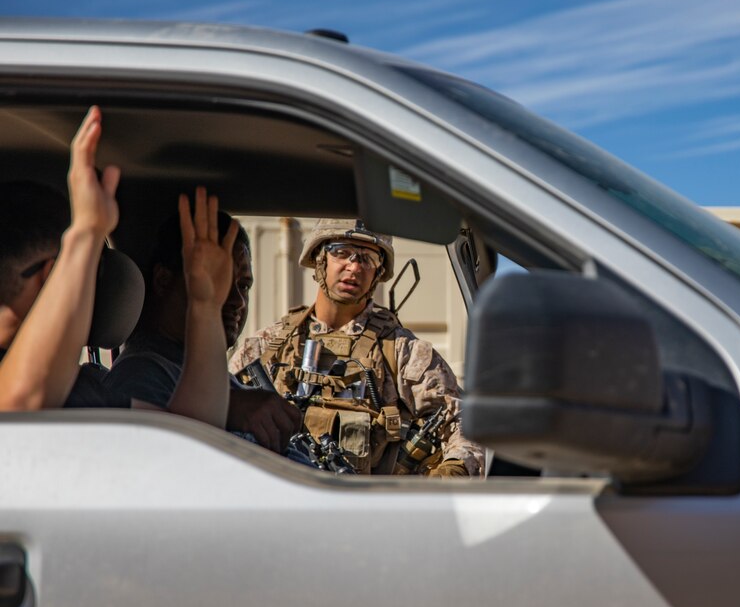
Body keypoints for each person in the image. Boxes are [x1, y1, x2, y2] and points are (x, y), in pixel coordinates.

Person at [0, 106, 237, 425]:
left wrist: (205, 306)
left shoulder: (81, 388)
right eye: (89, 277)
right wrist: (86, 232)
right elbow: (21, 405)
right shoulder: (29, 389)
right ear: (50, 280)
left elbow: (192, 434)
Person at [229, 219, 485, 477]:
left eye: (368, 258)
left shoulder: (404, 352)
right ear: (320, 258)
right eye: (341, 252)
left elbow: (465, 424)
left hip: (368, 508)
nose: (354, 266)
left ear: (378, 272)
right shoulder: (268, 346)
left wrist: (453, 472)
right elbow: (216, 416)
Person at [106, 211, 303, 451]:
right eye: (216, 280)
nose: (238, 300)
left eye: (243, 286)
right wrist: (225, 411)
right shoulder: (140, 377)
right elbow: (158, 469)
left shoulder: (204, 375)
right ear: (163, 280)